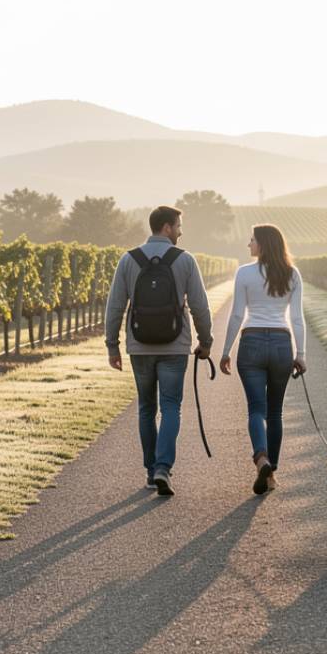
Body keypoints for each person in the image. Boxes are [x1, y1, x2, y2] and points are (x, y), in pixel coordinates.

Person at [105, 205, 213, 497]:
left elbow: (115, 306)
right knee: (170, 406)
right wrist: (206, 341)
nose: (180, 231)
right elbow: (200, 307)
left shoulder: (128, 259)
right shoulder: (185, 260)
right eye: (178, 225)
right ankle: (164, 466)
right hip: (174, 346)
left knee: (145, 407)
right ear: (166, 227)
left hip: (139, 346)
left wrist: (112, 345)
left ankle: (151, 470)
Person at [219, 224, 306, 495]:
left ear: (263, 244)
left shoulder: (244, 273)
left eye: (252, 240)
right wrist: (300, 354)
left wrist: (225, 351)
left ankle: (261, 459)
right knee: (275, 411)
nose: (248, 244)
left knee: (256, 408)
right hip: (281, 343)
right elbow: (296, 318)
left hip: (252, 342)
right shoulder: (292, 274)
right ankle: (271, 473)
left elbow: (236, 315)